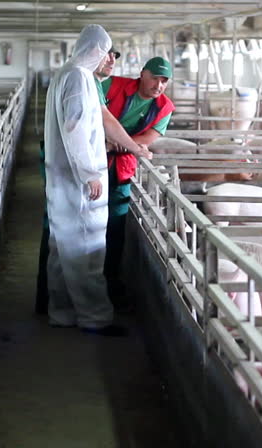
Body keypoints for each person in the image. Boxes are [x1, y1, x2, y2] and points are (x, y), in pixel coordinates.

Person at [43, 24, 150, 336]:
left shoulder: (78, 77)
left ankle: (61, 313)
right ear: (94, 51)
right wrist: (90, 174)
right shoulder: (77, 77)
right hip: (76, 180)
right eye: (107, 52)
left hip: (65, 179)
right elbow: (75, 129)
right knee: (84, 248)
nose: (111, 58)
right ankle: (94, 317)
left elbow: (105, 119)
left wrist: (134, 147)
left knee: (62, 249)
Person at [102, 56, 175, 309]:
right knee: (86, 220)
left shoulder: (165, 107)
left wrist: (113, 144)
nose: (159, 85)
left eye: (164, 80)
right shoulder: (111, 85)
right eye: (155, 77)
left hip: (121, 168)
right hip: (90, 161)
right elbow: (91, 113)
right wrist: (127, 145)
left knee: (115, 227)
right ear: (142, 74)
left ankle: (109, 281)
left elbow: (148, 138)